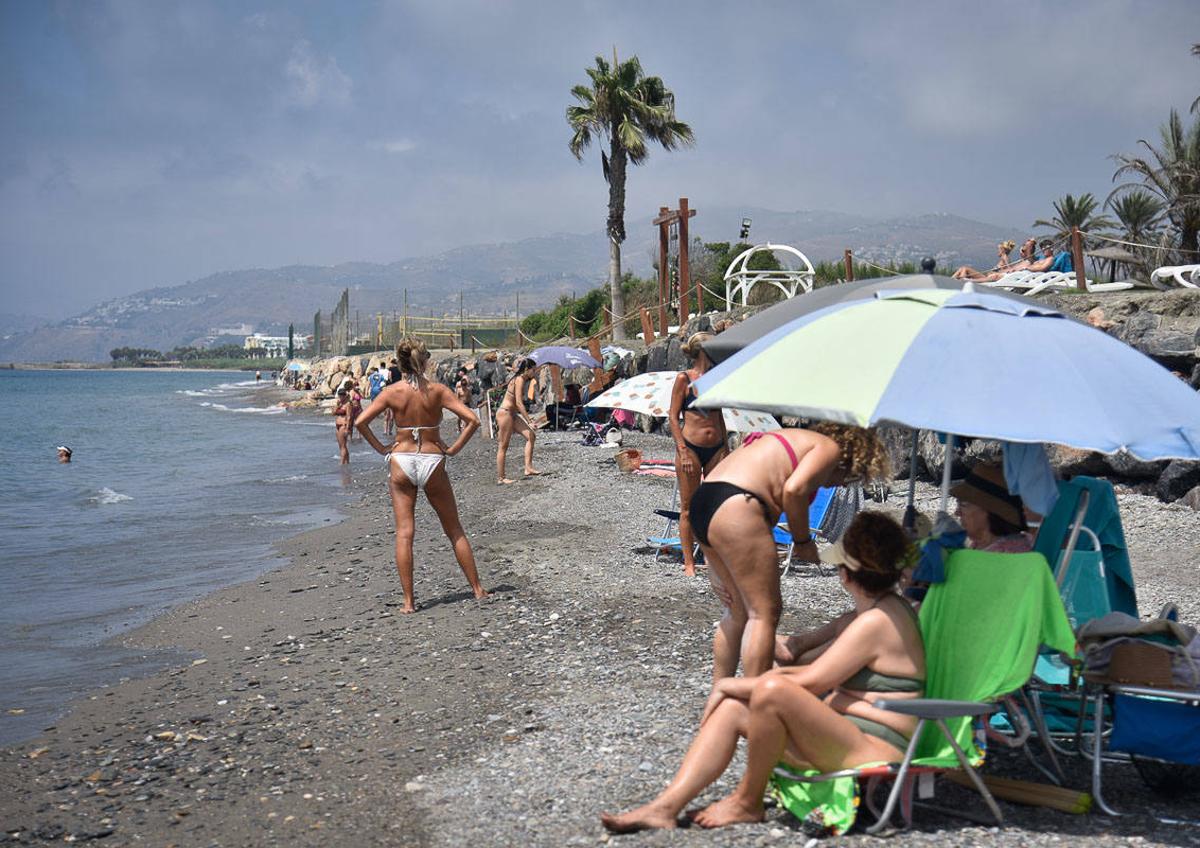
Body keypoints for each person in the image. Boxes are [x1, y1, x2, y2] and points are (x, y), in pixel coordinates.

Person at [601, 512, 923, 833]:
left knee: (769, 692)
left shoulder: (876, 622)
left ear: (846, 574)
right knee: (733, 709)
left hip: (874, 747)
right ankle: (665, 807)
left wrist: (728, 684)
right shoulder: (874, 613)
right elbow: (804, 669)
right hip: (846, 736)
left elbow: (810, 681)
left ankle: (747, 802)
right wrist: (736, 690)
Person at [691, 423, 891, 679]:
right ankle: (756, 703)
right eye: (850, 477)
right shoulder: (828, 448)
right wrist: (803, 541)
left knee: (737, 611)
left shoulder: (788, 439)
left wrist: (713, 561)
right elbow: (794, 490)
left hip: (706, 502)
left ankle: (720, 699)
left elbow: (725, 491)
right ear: (851, 459)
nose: (840, 485)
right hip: (737, 506)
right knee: (763, 614)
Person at [355, 338, 489, 613]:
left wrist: (382, 448)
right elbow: (473, 420)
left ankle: (408, 603)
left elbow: (360, 422)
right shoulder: (438, 391)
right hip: (431, 457)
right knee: (453, 529)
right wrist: (452, 449)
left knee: (405, 533)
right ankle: (477, 589)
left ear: (400, 362)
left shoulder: (392, 392)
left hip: (402, 459)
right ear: (425, 361)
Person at [669, 333, 729, 577]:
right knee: (688, 508)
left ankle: (712, 557)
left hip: (716, 448)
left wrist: (725, 445)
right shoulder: (684, 379)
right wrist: (682, 450)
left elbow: (719, 415)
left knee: (715, 506)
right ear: (704, 350)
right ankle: (689, 563)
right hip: (691, 448)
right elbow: (673, 417)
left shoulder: (718, 379)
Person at [952, 462, 1033, 553]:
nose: (957, 513)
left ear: (990, 510)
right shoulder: (980, 545)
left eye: (963, 504)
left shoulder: (1007, 554)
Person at [495, 358, 541, 484]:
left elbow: (518, 405)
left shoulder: (521, 379)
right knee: (503, 446)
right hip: (505, 413)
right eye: (533, 370)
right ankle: (501, 478)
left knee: (531, 436)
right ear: (527, 369)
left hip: (512, 414)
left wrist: (528, 419)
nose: (534, 372)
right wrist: (529, 421)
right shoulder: (519, 379)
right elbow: (519, 403)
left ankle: (528, 468)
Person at [333, 389, 352, 465]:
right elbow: (333, 413)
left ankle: (341, 463)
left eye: (342, 395)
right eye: (339, 395)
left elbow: (349, 416)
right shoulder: (340, 404)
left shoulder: (348, 404)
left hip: (343, 425)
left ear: (345, 395)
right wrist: (338, 406)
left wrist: (347, 428)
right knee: (341, 446)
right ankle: (347, 463)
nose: (340, 397)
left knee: (343, 446)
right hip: (338, 425)